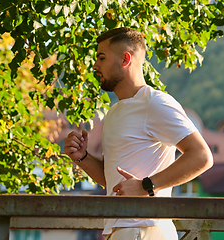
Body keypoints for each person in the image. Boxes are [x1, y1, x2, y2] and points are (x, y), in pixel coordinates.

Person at [63, 27, 213, 240]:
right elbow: (113, 182)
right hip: (121, 230)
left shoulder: (155, 102)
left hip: (143, 228)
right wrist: (83, 158)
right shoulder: (114, 111)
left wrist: (146, 186)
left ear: (125, 59)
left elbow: (202, 156)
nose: (95, 66)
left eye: (101, 58)